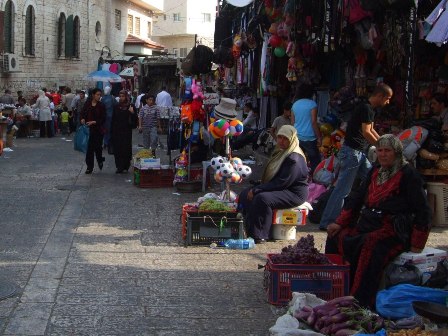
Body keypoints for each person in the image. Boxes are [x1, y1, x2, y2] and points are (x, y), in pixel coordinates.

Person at [325, 134, 432, 308]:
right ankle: (334, 290)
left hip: (392, 228)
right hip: (368, 223)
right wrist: (340, 222)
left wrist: (417, 244)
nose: (383, 154)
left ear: (396, 152)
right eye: (380, 150)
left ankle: (359, 301)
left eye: (387, 151)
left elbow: (423, 210)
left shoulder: (408, 174)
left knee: (370, 246)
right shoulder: (375, 170)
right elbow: (357, 197)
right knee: (336, 236)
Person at [319, 83, 393, 231]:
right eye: (388, 98)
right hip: (352, 153)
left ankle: (372, 215)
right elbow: (366, 132)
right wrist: (381, 148)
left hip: (359, 153)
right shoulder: (366, 108)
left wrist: (384, 144)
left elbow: (371, 130)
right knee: (342, 190)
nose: (388, 102)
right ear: (380, 96)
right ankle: (327, 222)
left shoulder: (369, 109)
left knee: (374, 180)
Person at [238, 125, 309, 244]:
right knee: (245, 193)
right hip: (283, 187)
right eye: (279, 137)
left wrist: (258, 189)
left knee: (262, 198)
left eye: (285, 138)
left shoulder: (294, 159)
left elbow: (282, 182)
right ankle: (247, 227)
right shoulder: (283, 152)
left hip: (293, 193)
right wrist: (258, 187)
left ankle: (260, 234)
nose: (281, 141)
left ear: (291, 139)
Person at [291, 83, 322, 174]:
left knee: (298, 161)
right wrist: (319, 137)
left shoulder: (295, 104)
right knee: (315, 162)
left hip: (297, 137)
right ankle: (315, 183)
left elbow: (292, 123)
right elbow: (313, 122)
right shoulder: (312, 104)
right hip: (310, 137)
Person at [80, 88, 106, 174]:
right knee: (90, 149)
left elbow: (103, 118)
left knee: (98, 148)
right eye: (97, 94)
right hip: (89, 130)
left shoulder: (101, 105)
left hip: (98, 130)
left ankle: (100, 160)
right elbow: (82, 113)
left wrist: (94, 122)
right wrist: (83, 119)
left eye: (100, 95)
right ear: (93, 95)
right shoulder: (87, 104)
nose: (99, 96)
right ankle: (89, 167)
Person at [110, 90, 136, 174]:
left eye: (123, 96)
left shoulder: (130, 106)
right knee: (118, 149)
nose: (121, 98)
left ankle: (126, 165)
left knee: (126, 148)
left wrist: (132, 113)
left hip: (126, 131)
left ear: (126, 97)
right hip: (117, 131)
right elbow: (113, 119)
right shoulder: (116, 106)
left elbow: (134, 120)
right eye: (120, 96)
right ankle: (119, 166)